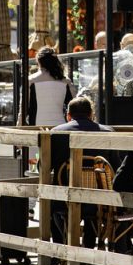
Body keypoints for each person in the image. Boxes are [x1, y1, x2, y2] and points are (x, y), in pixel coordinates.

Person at [49, 96, 115, 244]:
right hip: (100, 200)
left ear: (68, 116)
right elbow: (114, 167)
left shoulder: (56, 133)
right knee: (93, 207)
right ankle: (89, 244)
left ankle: (62, 246)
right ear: (92, 114)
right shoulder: (108, 132)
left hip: (65, 199)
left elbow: (44, 168)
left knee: (49, 203)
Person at [29, 47, 76, 127]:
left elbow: (23, 108)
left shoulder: (31, 80)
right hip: (61, 126)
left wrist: (19, 125)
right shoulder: (65, 81)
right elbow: (74, 105)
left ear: (39, 62)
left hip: (37, 126)